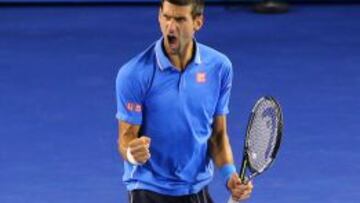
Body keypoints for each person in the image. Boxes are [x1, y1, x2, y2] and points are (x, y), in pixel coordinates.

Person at [115, 0, 253, 202]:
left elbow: (217, 135)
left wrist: (229, 175)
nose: (170, 26)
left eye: (179, 19)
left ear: (198, 22)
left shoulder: (219, 68)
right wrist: (131, 153)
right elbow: (126, 136)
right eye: (166, 17)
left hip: (196, 190)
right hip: (149, 190)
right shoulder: (133, 74)